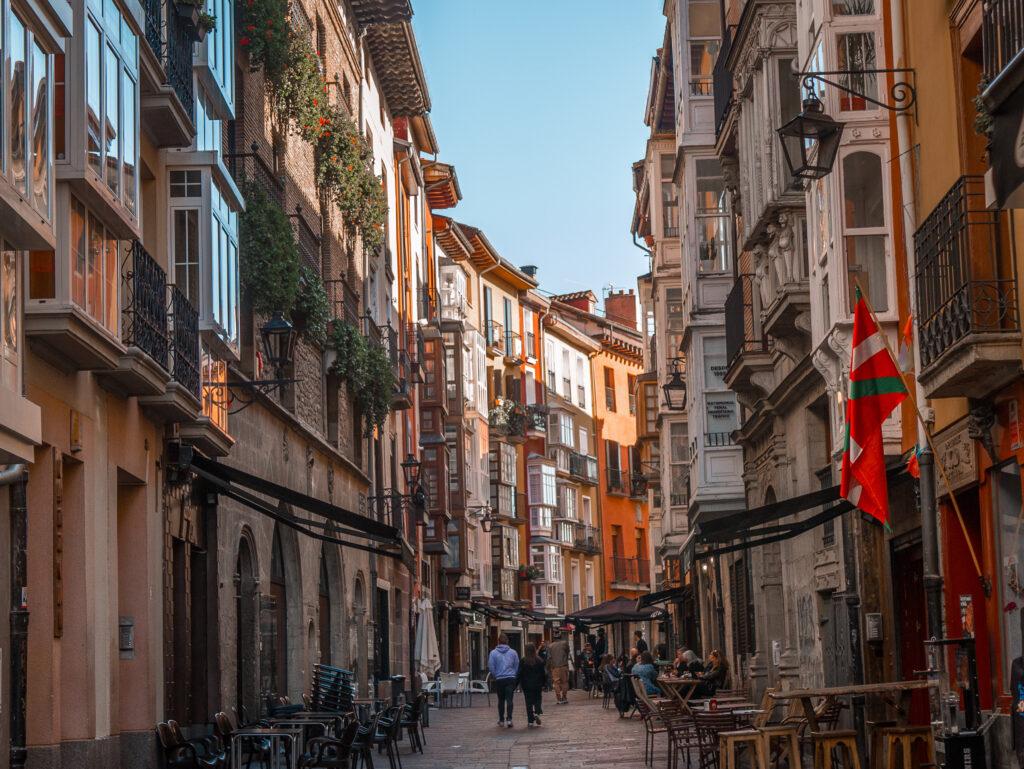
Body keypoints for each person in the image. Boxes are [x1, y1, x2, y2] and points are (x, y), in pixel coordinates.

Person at [488, 633, 520, 727]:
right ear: (507, 641)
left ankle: (501, 720)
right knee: (510, 699)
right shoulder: (513, 652)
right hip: (510, 678)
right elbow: (517, 665)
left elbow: (491, 666)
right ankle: (509, 719)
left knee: (501, 700)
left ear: (498, 641)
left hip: (500, 679)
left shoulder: (493, 653)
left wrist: (496, 675)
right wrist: (513, 674)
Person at [517, 643, 547, 727]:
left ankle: (530, 721)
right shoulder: (539, 660)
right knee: (538, 699)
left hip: (526, 685)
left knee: (528, 702)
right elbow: (544, 674)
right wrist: (544, 684)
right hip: (537, 684)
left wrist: (516, 684)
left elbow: (519, 673)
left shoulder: (523, 661)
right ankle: (537, 712)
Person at [546, 631, 571, 704]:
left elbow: (549, 658)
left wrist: (547, 667)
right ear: (560, 637)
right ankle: (564, 697)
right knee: (564, 682)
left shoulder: (550, 646)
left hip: (554, 667)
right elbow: (567, 652)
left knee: (556, 683)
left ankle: (559, 699)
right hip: (563, 665)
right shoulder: (564, 643)